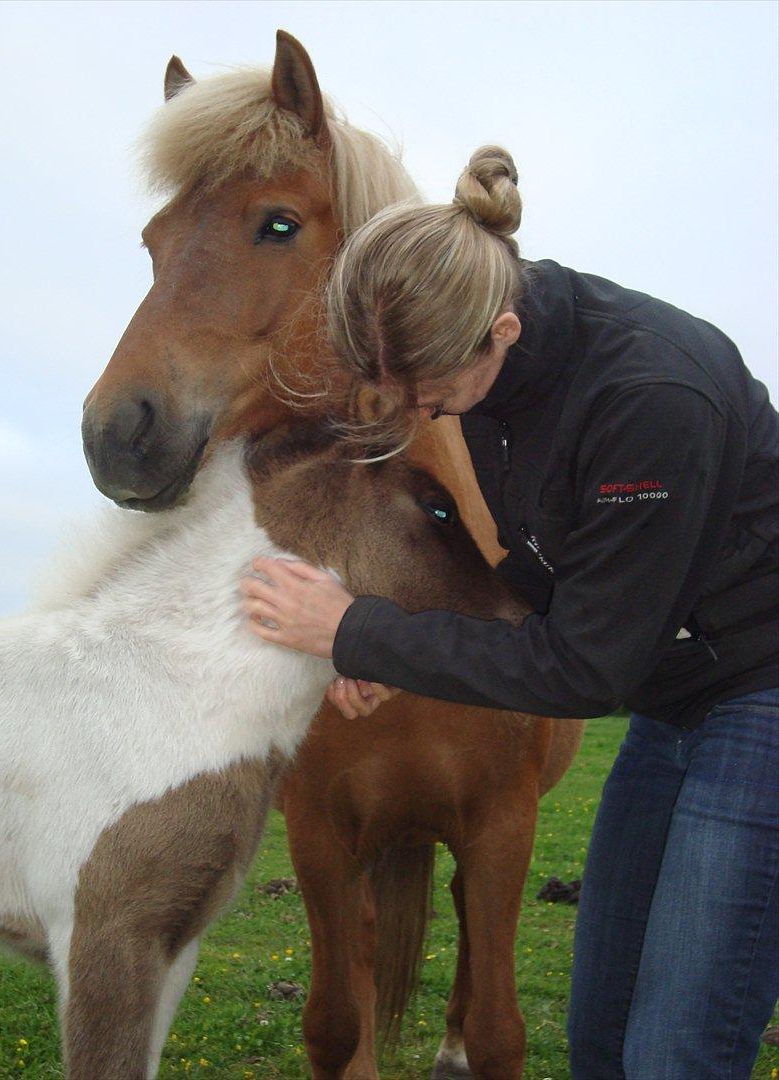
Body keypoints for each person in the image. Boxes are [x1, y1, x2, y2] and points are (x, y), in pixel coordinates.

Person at [240, 146, 778, 1078]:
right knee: (601, 1033)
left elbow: (583, 667)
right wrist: (382, 646)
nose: (404, 407)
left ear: (499, 330)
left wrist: (354, 630)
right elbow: (519, 578)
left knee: (678, 1049)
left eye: (420, 389)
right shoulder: (484, 383)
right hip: (673, 698)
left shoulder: (650, 400)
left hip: (760, 694)